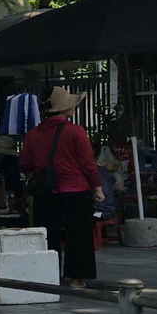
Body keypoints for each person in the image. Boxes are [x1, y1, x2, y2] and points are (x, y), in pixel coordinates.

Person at [19, 87, 103, 285]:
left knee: (47, 235)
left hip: (45, 192)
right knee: (79, 235)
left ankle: (49, 276)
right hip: (76, 190)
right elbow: (88, 164)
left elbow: (25, 164)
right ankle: (76, 279)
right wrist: (97, 188)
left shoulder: (33, 134)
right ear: (65, 109)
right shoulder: (76, 132)